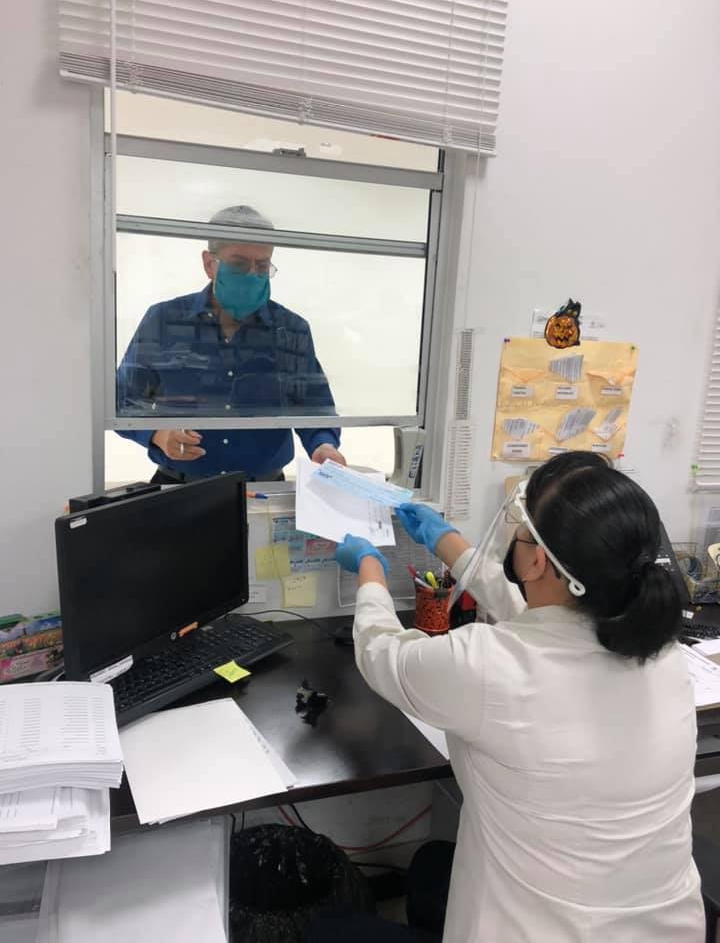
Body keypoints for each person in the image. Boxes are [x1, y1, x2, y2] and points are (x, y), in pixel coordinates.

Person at [334, 451, 704, 942]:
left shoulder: (488, 667)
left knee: (337, 923)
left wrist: (369, 571)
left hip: (537, 931)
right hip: (665, 928)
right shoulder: (663, 653)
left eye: (523, 532)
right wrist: (449, 543)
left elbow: (382, 653)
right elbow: (548, 622)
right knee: (429, 866)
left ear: (536, 561)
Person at [116, 205, 346, 483]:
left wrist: (323, 446)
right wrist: (157, 434)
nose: (252, 274)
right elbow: (122, 400)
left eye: (262, 266)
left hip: (263, 491)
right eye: (239, 264)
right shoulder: (164, 321)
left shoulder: (291, 330)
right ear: (209, 263)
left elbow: (315, 406)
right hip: (179, 488)